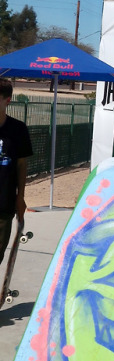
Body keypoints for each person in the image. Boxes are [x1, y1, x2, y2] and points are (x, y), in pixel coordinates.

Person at [0, 79, 33, 268]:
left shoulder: (18, 130)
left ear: (7, 101)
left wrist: (20, 198)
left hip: (4, 204)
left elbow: (22, 165)